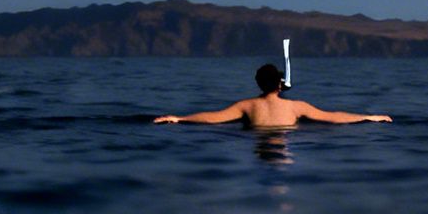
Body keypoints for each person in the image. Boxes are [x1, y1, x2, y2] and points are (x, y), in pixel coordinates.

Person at [155, 64, 391, 127]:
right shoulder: (296, 107)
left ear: (258, 84)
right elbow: (334, 117)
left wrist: (180, 118)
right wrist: (370, 117)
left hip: (257, 138)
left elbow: (214, 117)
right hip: (285, 136)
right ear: (279, 85)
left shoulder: (246, 105)